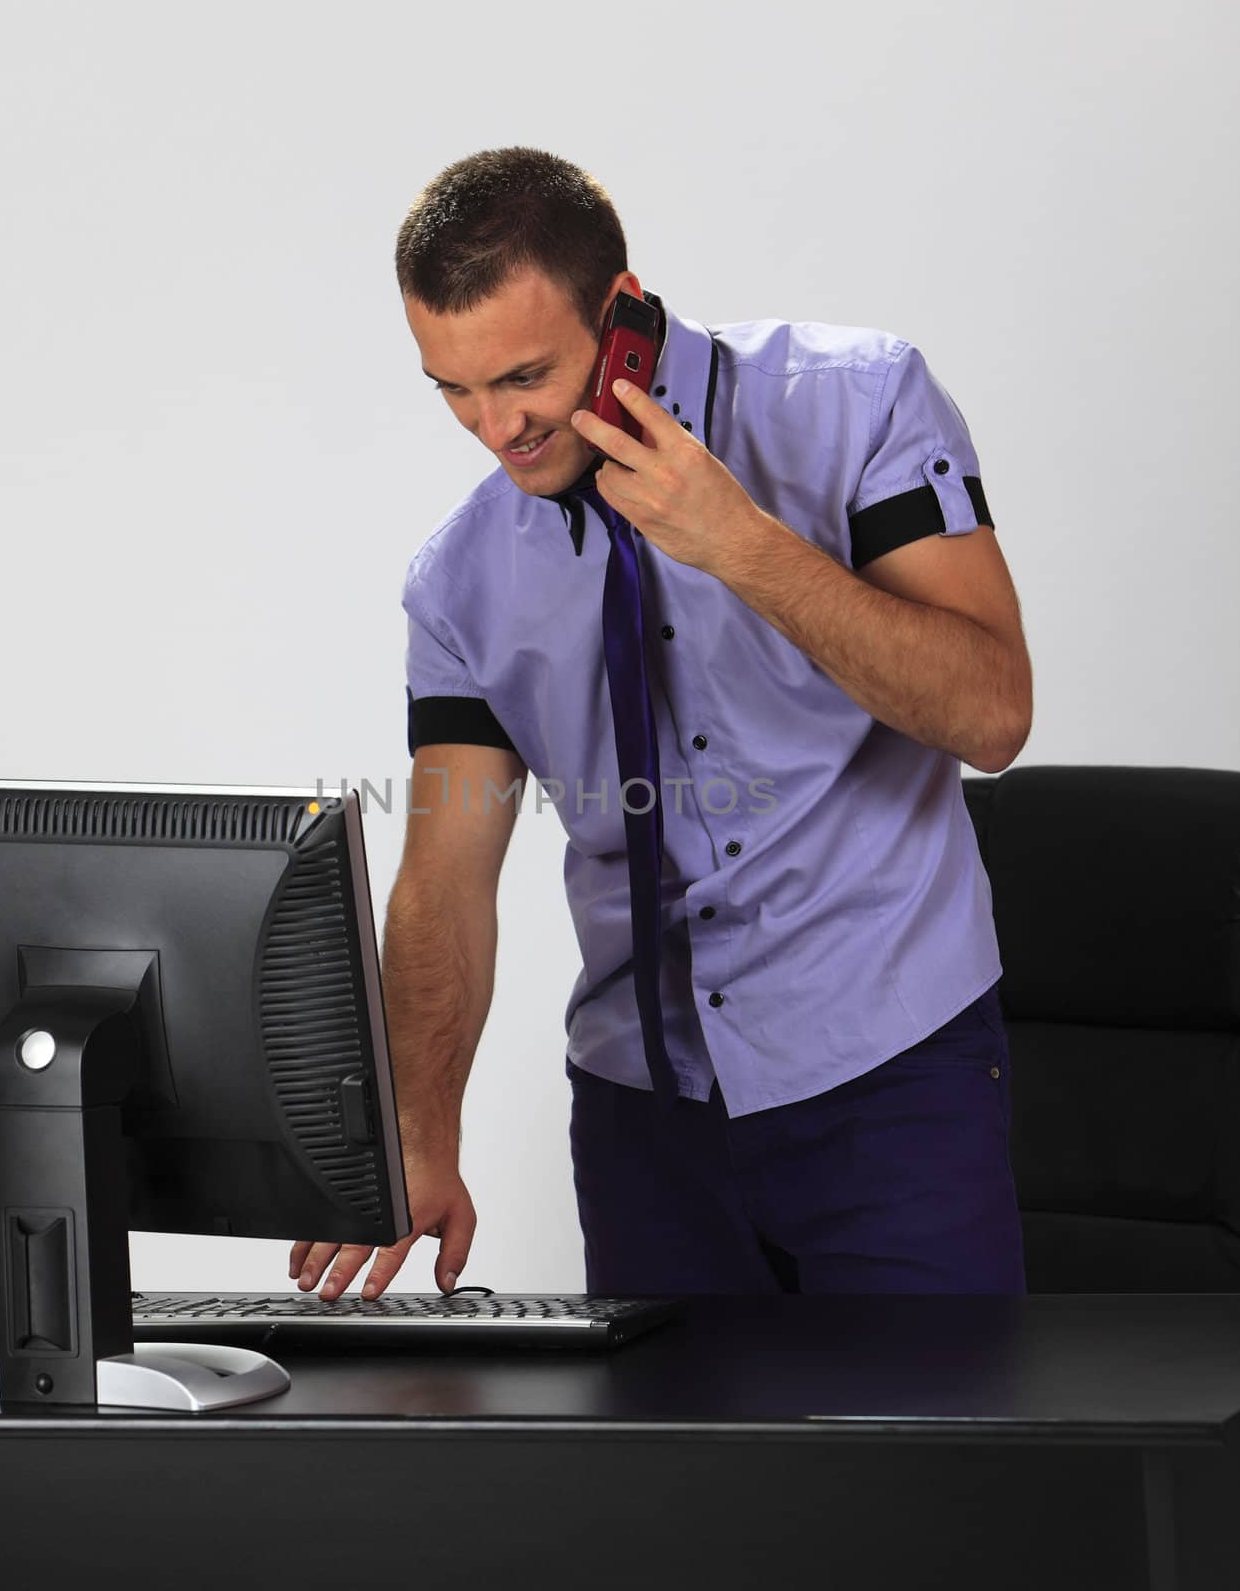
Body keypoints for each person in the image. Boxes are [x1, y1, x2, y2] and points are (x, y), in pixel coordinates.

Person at [289, 145, 1033, 1301]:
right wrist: (418, 1131)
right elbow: (443, 876)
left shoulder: (856, 401)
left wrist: (733, 541)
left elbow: (988, 712)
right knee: (678, 1487)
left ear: (622, 314)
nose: (494, 426)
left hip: (891, 1076)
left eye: (523, 376)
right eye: (453, 388)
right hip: (645, 1123)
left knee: (933, 1473)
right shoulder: (457, 584)